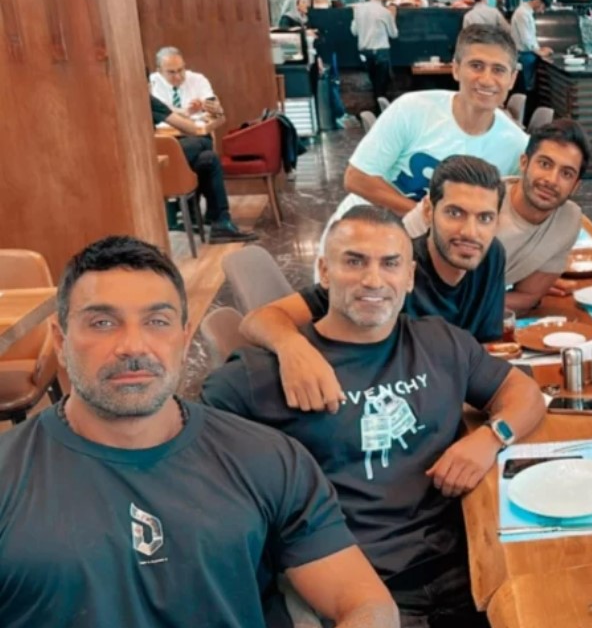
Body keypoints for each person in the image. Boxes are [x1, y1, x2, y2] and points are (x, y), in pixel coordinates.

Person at [0, 236, 397, 627]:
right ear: (60, 340)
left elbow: (367, 604)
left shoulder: (266, 458)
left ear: (185, 338)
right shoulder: (8, 476)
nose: (133, 346)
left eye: (157, 322)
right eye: (103, 323)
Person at [205, 206, 545, 626]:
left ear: (410, 276)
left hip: (471, 571)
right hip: (359, 591)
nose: (373, 280)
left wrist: (492, 437)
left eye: (390, 264)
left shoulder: (441, 344)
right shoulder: (264, 375)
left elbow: (524, 393)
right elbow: (186, 446)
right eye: (354, 262)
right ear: (324, 271)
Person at [242, 155, 508, 413]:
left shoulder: (490, 255)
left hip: (456, 400)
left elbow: (488, 344)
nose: (470, 232)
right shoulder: (388, 271)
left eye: (484, 218)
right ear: (428, 211)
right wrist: (292, 347)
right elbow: (260, 319)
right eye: (455, 213)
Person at [328, 24, 527, 239]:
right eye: (476, 66)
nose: (487, 79)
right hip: (359, 232)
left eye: (498, 70)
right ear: (456, 69)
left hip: (430, 248)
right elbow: (356, 177)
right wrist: (427, 219)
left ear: (512, 79)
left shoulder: (517, 146)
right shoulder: (412, 109)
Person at [148, 50, 257, 243]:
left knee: (209, 158)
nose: (178, 76)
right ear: (156, 74)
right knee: (203, 142)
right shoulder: (149, 95)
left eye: (181, 70)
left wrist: (214, 110)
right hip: (159, 153)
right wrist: (192, 118)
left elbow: (211, 110)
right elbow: (190, 128)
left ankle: (220, 221)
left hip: (177, 149)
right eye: (171, 72)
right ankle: (207, 217)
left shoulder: (195, 80)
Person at [500, 120, 590, 312]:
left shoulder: (568, 220)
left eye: (566, 174)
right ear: (524, 163)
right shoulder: (483, 203)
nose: (551, 180)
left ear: (575, 186)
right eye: (545, 164)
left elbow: (527, 296)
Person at [352, 0, 398, 104]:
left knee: (375, 87)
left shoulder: (358, 10)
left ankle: (377, 112)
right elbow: (393, 34)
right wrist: (393, 16)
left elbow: (354, 32)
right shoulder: (385, 12)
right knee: (382, 90)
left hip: (365, 54)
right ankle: (381, 113)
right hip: (381, 53)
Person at [510, 0, 552, 98]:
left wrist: (539, 49)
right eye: (543, 7)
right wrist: (539, 51)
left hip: (528, 53)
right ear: (537, 1)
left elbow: (531, 37)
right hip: (524, 55)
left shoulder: (527, 13)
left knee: (530, 86)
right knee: (527, 88)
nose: (542, 11)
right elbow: (526, 39)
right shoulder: (522, 13)